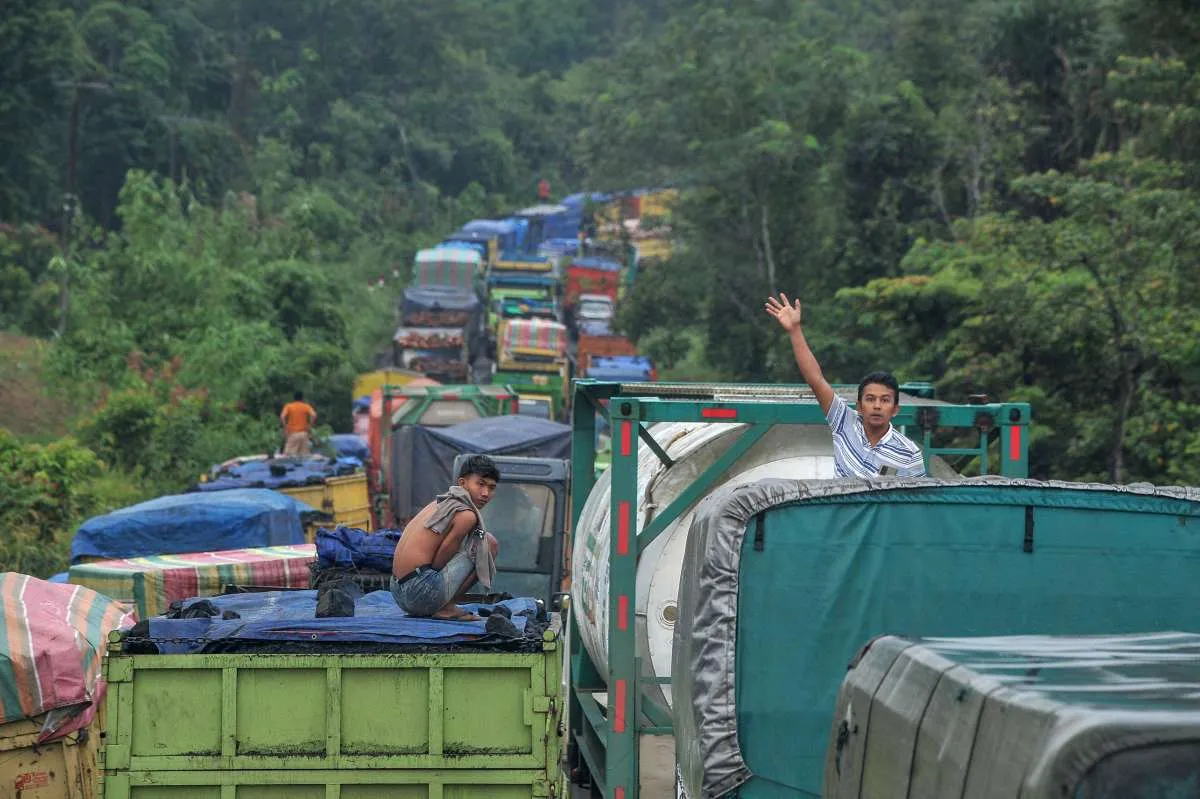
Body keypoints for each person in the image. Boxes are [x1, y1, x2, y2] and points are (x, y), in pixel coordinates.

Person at [764, 293, 927, 478]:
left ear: (895, 409)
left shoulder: (910, 454)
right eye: (870, 399)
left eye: (885, 400)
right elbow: (816, 379)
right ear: (859, 405)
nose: (877, 406)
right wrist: (795, 330)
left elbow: (914, 503)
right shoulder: (844, 423)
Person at [391, 455, 502, 621]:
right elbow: (440, 560)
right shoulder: (467, 515)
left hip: (397, 590)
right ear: (462, 483)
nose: (485, 493)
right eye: (480, 484)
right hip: (418, 593)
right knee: (490, 544)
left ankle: (441, 603)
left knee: (480, 539)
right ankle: (446, 608)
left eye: (491, 488)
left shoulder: (441, 502)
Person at [279, 391, 317, 457]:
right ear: (302, 398)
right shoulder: (305, 406)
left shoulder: (289, 406)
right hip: (304, 434)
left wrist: (286, 427)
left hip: (293, 434)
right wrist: (309, 426)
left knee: (288, 456)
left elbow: (282, 416)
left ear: (294, 398)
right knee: (304, 456)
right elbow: (314, 415)